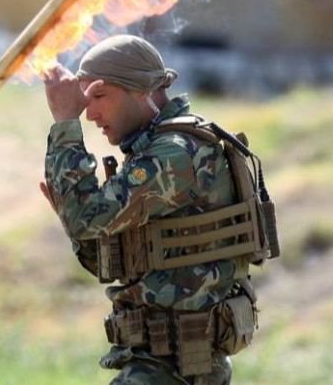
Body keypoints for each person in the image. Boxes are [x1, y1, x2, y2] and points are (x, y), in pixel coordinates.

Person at [41, 35, 256, 385]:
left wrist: (66, 121)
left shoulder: (175, 155)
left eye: (99, 96)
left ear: (141, 90)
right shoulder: (162, 150)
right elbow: (117, 262)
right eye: (84, 101)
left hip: (171, 367)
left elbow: (87, 218)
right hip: (173, 363)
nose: (90, 113)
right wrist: (76, 222)